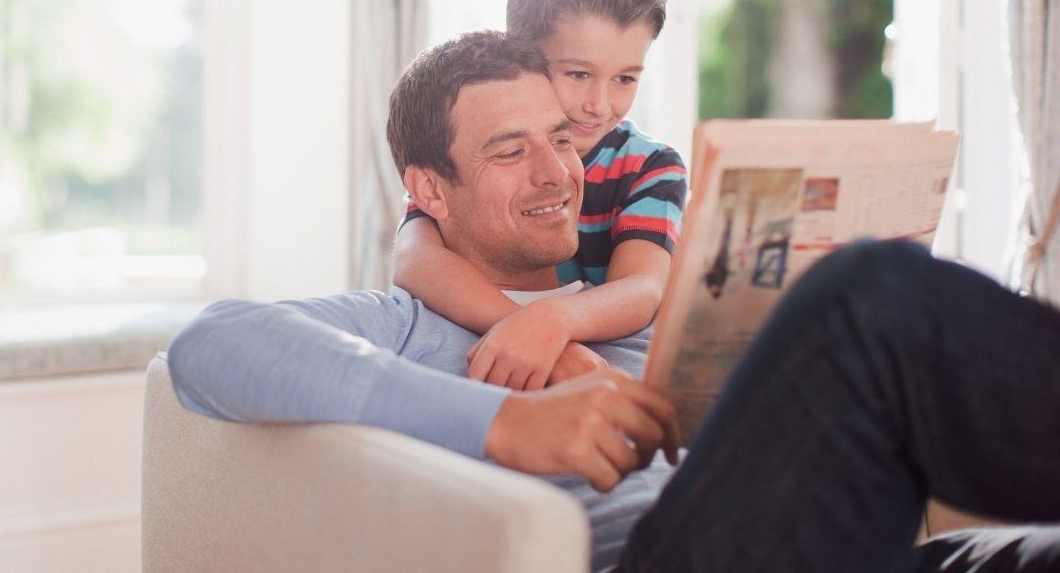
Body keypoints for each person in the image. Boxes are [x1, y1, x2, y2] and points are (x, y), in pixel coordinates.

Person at [169, 31, 1060, 571]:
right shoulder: (407, 324)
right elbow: (213, 345)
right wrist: (506, 424)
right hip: (659, 561)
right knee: (864, 298)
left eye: (562, 138)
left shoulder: (629, 304)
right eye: (511, 152)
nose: (559, 172)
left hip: (854, 550)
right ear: (429, 191)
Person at [391, 0, 687, 392]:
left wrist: (552, 322)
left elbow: (642, 289)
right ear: (522, 57)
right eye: (578, 74)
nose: (600, 105)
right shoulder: (464, 161)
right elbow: (415, 261)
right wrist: (527, 329)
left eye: (625, 78)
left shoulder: (649, 165)